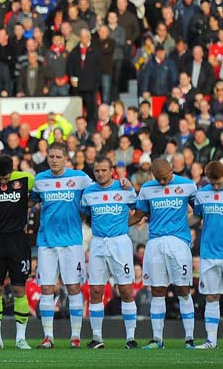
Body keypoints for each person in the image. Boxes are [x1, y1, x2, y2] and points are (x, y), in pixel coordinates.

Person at [31, 141, 93, 348]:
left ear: (66, 157)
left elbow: (99, 192)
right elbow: (28, 201)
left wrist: (124, 184)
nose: (54, 160)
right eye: (51, 157)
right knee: (47, 288)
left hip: (72, 243)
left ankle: (75, 336)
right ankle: (48, 337)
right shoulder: (39, 180)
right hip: (47, 242)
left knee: (73, 287)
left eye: (58, 157)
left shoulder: (80, 178)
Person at [135, 159, 198, 349]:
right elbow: (139, 215)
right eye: (158, 179)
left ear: (173, 169)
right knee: (157, 290)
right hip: (154, 243)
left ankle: (189, 339)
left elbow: (199, 212)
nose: (162, 183)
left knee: (183, 289)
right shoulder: (146, 188)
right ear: (152, 174)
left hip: (178, 244)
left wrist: (183, 226)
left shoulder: (188, 185)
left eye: (165, 178)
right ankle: (157, 339)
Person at [79, 156, 140, 349]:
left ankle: (130, 337)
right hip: (98, 243)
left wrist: (122, 225)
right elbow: (84, 214)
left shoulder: (124, 189)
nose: (100, 174)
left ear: (112, 170)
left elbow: (139, 212)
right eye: (97, 171)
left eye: (104, 170)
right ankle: (97, 338)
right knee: (95, 290)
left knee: (126, 289)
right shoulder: (88, 192)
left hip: (120, 243)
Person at [0, 156, 35, 350]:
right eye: (0, 178)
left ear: (14, 169)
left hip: (18, 240)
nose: (3, 182)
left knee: (19, 289)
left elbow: (43, 187)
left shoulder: (26, 179)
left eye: (6, 178)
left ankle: (21, 338)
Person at [193, 160, 223, 349]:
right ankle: (211, 340)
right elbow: (196, 217)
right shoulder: (202, 194)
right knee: (211, 296)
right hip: (209, 253)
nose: (216, 186)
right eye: (213, 183)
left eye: (219, 182)